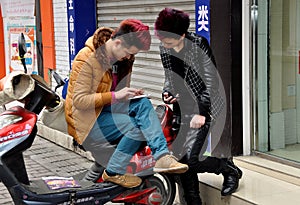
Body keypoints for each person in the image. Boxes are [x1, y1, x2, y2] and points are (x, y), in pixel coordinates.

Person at [65, 19, 188, 189]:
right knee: (136, 128)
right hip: (86, 121)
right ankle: (113, 172)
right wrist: (116, 95)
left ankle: (162, 157)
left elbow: (118, 93)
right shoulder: (86, 58)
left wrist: (128, 95)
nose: (130, 57)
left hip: (106, 110)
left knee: (143, 103)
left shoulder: (123, 60)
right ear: (117, 42)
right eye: (129, 53)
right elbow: (79, 101)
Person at [154, 8, 242, 204]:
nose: (164, 44)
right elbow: (169, 78)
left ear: (182, 35)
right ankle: (193, 201)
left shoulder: (198, 45)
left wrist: (202, 112)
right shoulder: (164, 49)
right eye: (162, 40)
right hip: (182, 110)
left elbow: (211, 83)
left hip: (206, 106)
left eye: (168, 40)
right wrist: (167, 94)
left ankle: (228, 169)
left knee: (190, 160)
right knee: (181, 160)